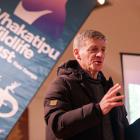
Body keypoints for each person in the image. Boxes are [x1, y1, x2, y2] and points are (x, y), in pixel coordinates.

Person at [44, 29, 129, 140]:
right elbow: (57, 125)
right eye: (93, 49)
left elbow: (124, 132)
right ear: (77, 53)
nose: (100, 54)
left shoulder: (109, 89)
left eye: (103, 50)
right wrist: (98, 110)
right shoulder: (61, 85)